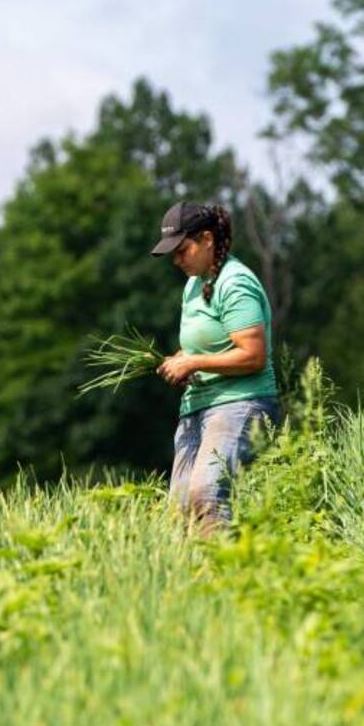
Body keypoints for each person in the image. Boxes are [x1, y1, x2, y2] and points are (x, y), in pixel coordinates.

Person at [151, 202, 280, 533]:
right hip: (197, 406)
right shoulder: (194, 284)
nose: (177, 261)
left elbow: (253, 355)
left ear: (207, 239)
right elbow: (202, 344)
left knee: (206, 495)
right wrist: (181, 359)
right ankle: (189, 581)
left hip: (239, 403)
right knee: (179, 513)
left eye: (182, 250)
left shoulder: (235, 283)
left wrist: (195, 362)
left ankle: (223, 578)